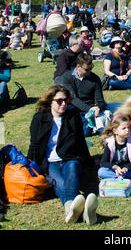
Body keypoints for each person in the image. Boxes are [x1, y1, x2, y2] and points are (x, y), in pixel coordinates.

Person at [27, 85, 98, 224]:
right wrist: (29, 164)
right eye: (59, 101)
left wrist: (89, 162)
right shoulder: (39, 118)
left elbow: (80, 141)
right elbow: (34, 144)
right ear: (50, 101)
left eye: (66, 100)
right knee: (59, 182)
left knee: (71, 173)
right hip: (49, 161)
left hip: (70, 157)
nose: (63, 104)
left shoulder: (72, 117)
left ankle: (70, 209)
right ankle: (81, 212)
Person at [55, 53, 108, 137]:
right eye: (87, 69)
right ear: (78, 66)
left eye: (91, 68)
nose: (89, 71)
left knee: (86, 132)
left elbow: (100, 100)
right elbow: (73, 99)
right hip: (73, 108)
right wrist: (89, 109)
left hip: (90, 110)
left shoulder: (95, 79)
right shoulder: (67, 77)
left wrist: (97, 108)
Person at [97, 113, 131, 187]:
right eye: (123, 128)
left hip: (127, 169)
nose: (127, 130)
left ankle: (119, 179)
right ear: (115, 131)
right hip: (115, 170)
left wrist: (127, 167)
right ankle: (130, 180)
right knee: (101, 171)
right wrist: (115, 167)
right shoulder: (110, 144)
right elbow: (103, 162)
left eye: (128, 128)